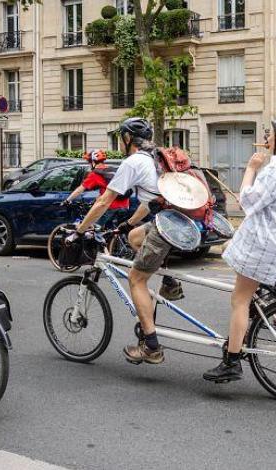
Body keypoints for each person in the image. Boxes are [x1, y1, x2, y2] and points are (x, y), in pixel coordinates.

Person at [203, 115, 276, 383]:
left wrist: (251, 169)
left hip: (264, 243)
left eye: (269, 135)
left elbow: (248, 201)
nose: (265, 139)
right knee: (250, 298)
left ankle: (231, 361)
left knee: (239, 300)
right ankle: (240, 336)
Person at [71, 117, 182, 365]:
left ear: (128, 138)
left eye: (122, 137)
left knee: (136, 278)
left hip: (165, 227)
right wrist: (129, 223)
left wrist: (80, 229)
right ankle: (170, 281)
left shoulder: (133, 161)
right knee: (134, 237)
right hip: (177, 222)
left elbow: (103, 201)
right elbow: (152, 200)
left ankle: (151, 346)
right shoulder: (156, 159)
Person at [62, 149, 131, 227]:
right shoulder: (112, 170)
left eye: (89, 162)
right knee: (114, 231)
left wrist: (67, 200)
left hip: (110, 207)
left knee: (94, 226)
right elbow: (106, 189)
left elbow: (79, 190)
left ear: (93, 162)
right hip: (125, 204)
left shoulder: (95, 174)